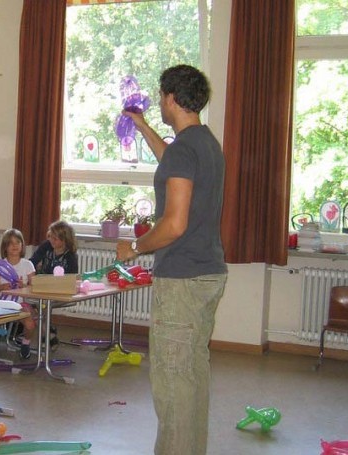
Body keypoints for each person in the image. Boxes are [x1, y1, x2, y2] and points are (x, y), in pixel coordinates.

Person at [116, 64, 228, 455]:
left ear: (171, 98)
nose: (159, 101)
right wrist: (143, 126)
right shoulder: (204, 143)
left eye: (161, 95)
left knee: (173, 382)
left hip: (181, 279)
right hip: (208, 273)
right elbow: (171, 160)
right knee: (193, 375)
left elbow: (174, 224)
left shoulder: (185, 149)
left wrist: (136, 247)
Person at [0, 229, 36, 360]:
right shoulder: (0, 265)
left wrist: (23, 286)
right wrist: (3, 286)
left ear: (22, 245)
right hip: (0, 304)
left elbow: (34, 287)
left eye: (18, 242)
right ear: (5, 247)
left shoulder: (27, 264)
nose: (15, 245)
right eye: (10, 243)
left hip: (19, 304)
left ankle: (25, 343)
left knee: (30, 324)